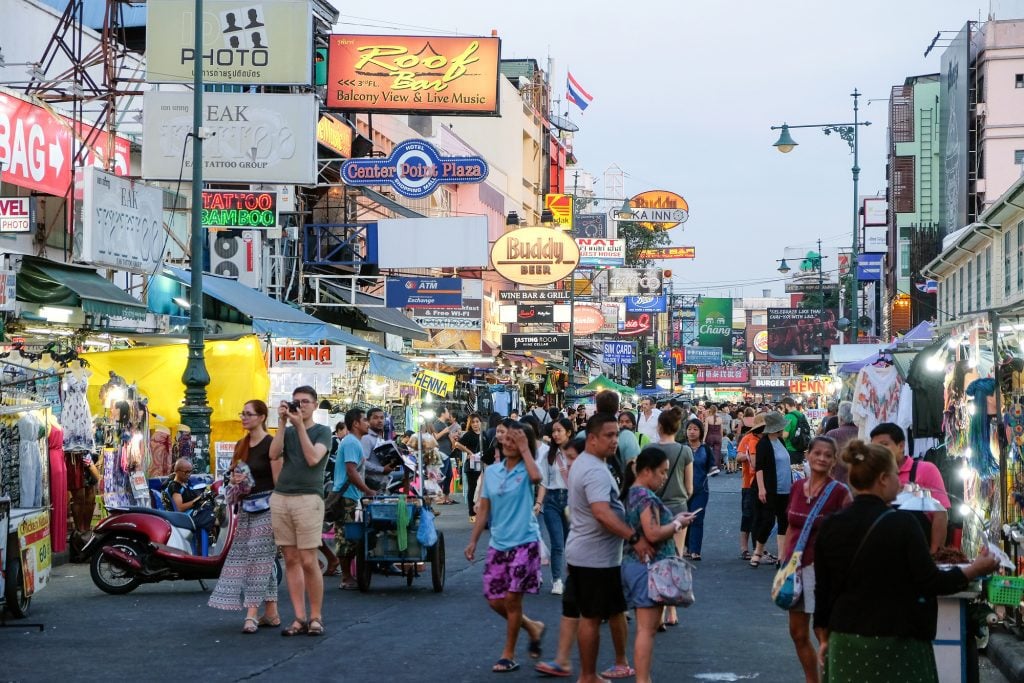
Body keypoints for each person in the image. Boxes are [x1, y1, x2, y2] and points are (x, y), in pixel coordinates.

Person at [813, 440, 999, 682]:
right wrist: (975, 569)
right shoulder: (903, 524)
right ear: (882, 479)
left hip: (845, 643)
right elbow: (930, 582)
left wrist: (825, 639)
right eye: (894, 475)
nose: (899, 482)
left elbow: (823, 590)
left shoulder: (830, 525)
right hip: (898, 642)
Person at [565, 414, 654, 683]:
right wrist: (635, 537)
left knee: (612, 610)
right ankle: (588, 675)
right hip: (593, 557)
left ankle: (617, 663)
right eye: (609, 435)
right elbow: (602, 513)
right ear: (592, 439)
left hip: (598, 555)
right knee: (591, 617)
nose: (615, 440)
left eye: (617, 434)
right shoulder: (592, 469)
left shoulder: (592, 463)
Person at [465, 422, 546, 674]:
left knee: (512, 599)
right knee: (494, 600)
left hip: (524, 540)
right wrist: (473, 540)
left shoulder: (527, 467)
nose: (509, 443)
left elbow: (537, 478)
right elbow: (484, 509)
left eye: (515, 440)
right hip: (499, 543)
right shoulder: (492, 472)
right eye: (507, 439)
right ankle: (532, 627)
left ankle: (507, 654)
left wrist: (525, 449)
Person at [621, 447, 697, 683]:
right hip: (647, 567)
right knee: (646, 630)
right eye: (662, 472)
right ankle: (643, 679)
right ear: (646, 471)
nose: (665, 477)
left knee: (648, 628)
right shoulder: (645, 497)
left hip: (637, 566)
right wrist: (677, 525)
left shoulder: (632, 494)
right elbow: (652, 533)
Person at [781, 437, 852, 683]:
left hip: (823, 570)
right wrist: (783, 561)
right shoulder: (796, 488)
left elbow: (848, 534)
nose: (821, 458)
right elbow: (791, 526)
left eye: (827, 455)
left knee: (823, 632)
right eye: (817, 453)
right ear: (808, 455)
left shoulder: (840, 493)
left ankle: (832, 677)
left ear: (834, 461)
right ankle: (813, 679)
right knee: (797, 633)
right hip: (795, 568)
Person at [209, 400, 280, 632]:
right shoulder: (241, 445)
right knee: (260, 558)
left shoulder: (271, 444)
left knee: (256, 559)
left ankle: (251, 613)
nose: (244, 418)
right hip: (247, 508)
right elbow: (233, 476)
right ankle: (271, 613)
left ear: (261, 417)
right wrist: (235, 480)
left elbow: (279, 478)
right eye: (242, 413)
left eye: (248, 414)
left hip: (269, 506)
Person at [269, 386, 333, 637]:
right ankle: (299, 617)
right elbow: (273, 454)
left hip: (308, 497)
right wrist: (282, 422)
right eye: (296, 402)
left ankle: (316, 616)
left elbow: (312, 459)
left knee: (308, 560)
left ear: (315, 405)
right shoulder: (288, 429)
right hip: (282, 496)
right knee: (291, 559)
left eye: (305, 402)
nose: (300, 406)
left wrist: (298, 427)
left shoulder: (323, 432)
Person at [870, 422, 951, 554]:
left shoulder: (925, 470)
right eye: (874, 448)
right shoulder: (873, 476)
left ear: (901, 446)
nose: (879, 452)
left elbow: (940, 514)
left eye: (884, 445)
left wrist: (935, 554)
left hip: (920, 553)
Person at [332, 408, 377, 591]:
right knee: (346, 536)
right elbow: (351, 471)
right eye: (365, 420)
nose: (368, 423)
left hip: (352, 496)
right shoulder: (351, 442)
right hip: (346, 497)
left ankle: (350, 574)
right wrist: (367, 490)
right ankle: (345, 576)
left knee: (353, 536)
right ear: (356, 424)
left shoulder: (355, 442)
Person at [535, 417, 574, 595]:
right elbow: (543, 482)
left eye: (559, 431)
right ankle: (557, 580)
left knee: (571, 543)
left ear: (569, 433)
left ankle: (574, 577)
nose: (556, 434)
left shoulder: (576, 454)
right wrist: (538, 503)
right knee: (557, 543)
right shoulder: (548, 455)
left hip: (571, 501)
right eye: (554, 431)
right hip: (551, 501)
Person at [751, 411, 791, 568]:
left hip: (785, 488)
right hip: (770, 488)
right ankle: (758, 552)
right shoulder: (764, 443)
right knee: (767, 521)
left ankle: (781, 556)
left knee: (783, 522)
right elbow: (759, 468)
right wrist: (761, 488)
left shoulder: (780, 441)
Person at [682, 418, 711, 562]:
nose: (692, 432)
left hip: (701, 489)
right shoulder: (681, 448)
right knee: (684, 518)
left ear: (700, 432)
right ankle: (685, 546)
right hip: (682, 490)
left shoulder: (706, 449)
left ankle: (695, 550)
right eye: (689, 429)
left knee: (697, 519)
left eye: (695, 429)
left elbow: (711, 467)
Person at [163, 458, 216, 537]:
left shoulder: (185, 483)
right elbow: (179, 508)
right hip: (187, 517)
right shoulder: (175, 486)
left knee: (216, 510)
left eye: (190, 471)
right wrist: (197, 500)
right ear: (177, 471)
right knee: (215, 517)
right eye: (186, 472)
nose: (189, 474)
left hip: (192, 513)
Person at [737, 413, 765, 560]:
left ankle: (758, 548)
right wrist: (749, 456)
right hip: (748, 483)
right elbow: (738, 457)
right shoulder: (747, 438)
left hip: (764, 483)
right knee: (747, 516)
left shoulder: (767, 440)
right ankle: (744, 548)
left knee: (760, 517)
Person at [454, 413, 484, 523]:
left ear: (481, 422)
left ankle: (482, 512)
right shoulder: (469, 435)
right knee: (473, 488)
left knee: (482, 488)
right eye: (473, 422)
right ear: (470, 424)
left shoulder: (484, 434)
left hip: (483, 463)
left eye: (477, 421)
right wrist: (470, 452)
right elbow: (457, 444)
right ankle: (472, 513)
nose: (475, 424)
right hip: (472, 464)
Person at [781, 396, 808, 465]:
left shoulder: (787, 417)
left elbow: (785, 435)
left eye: (783, 408)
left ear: (786, 405)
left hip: (791, 449)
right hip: (801, 447)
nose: (783, 410)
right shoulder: (801, 415)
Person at [704, 404, 725, 475]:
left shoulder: (707, 418)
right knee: (717, 453)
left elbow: (706, 430)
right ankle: (716, 468)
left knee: (708, 452)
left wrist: (703, 439)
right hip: (718, 436)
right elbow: (721, 430)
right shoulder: (720, 419)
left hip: (710, 436)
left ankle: (710, 468)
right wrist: (721, 438)